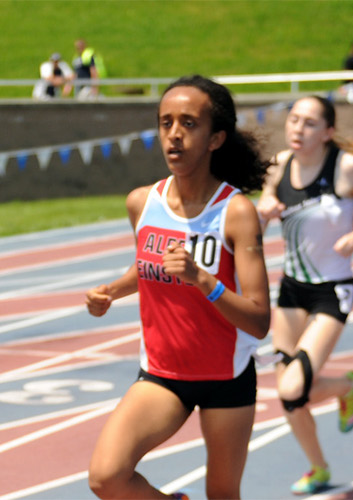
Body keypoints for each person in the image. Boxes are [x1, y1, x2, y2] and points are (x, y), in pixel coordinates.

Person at [84, 75, 271, 500]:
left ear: (215, 138)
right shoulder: (142, 203)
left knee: (223, 494)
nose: (174, 134)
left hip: (227, 376)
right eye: (165, 122)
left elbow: (260, 319)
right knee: (106, 477)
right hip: (164, 375)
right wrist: (111, 291)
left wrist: (203, 280)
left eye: (189, 123)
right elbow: (149, 267)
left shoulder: (237, 212)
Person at [255, 95, 353, 495]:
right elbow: (260, 227)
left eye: (310, 123)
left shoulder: (347, 169)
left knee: (291, 385)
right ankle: (318, 468)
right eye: (294, 120)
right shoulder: (279, 166)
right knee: (290, 398)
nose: (298, 129)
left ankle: (345, 386)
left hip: (332, 292)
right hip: (291, 290)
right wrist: (263, 211)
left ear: (328, 132)